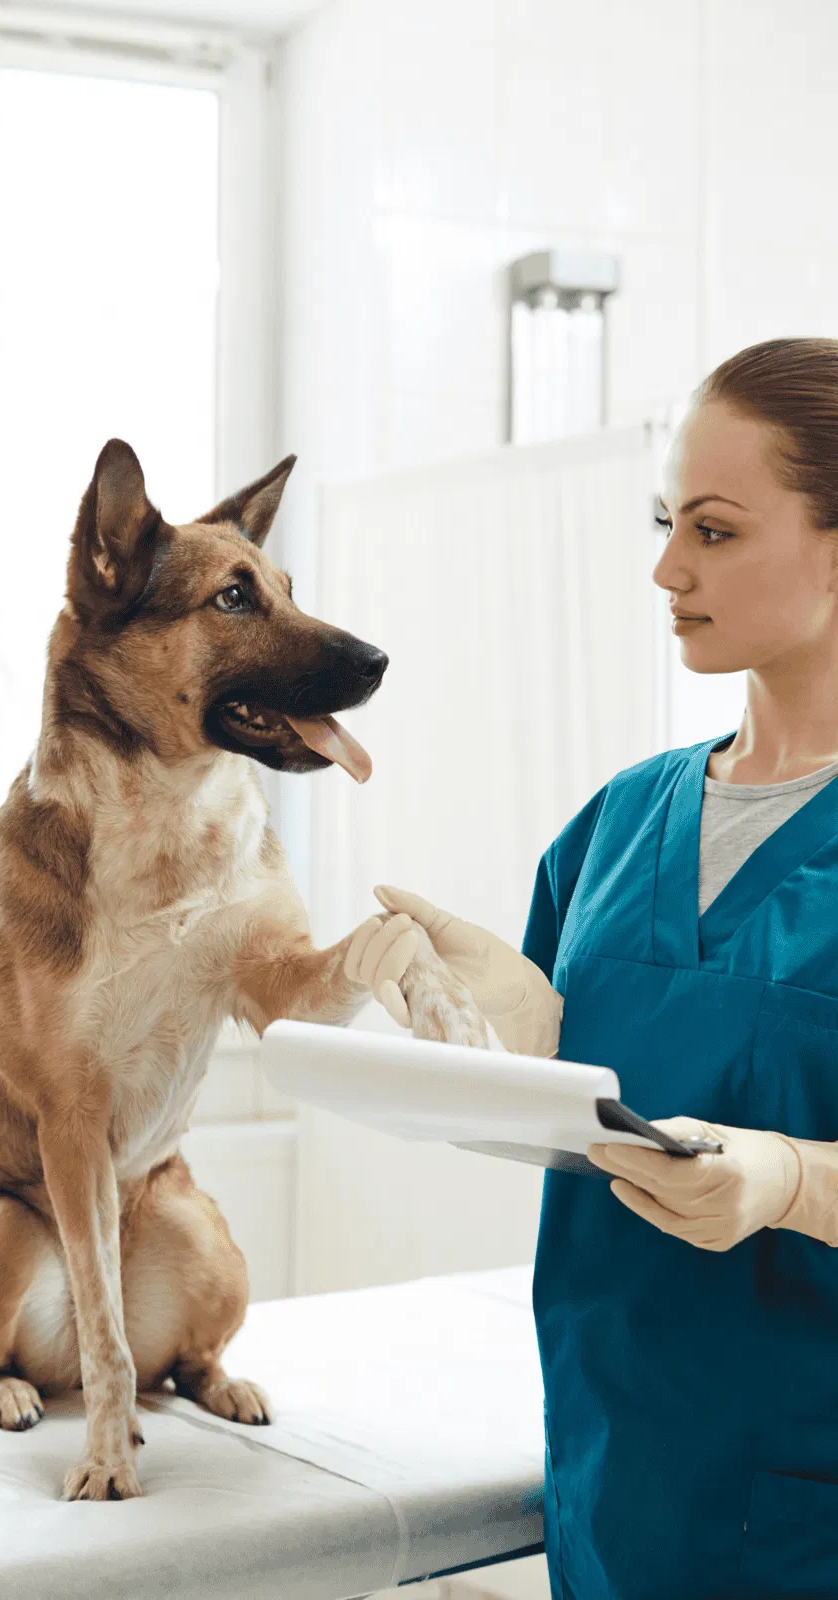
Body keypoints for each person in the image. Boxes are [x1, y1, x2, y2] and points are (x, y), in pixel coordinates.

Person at [353, 338, 838, 1599]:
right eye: (668, 521)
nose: (666, 569)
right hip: (617, 1478)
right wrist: (531, 1033)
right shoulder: (621, 822)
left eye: (717, 533)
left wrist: (786, 1180)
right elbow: (596, 1100)